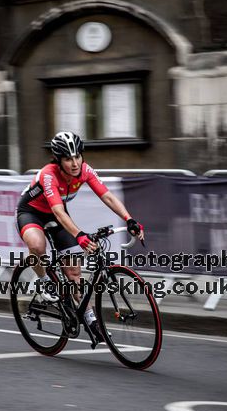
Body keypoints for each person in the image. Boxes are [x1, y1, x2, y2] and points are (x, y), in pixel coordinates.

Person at [15, 131, 144, 340]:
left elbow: (108, 196)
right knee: (38, 246)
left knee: (74, 272)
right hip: (31, 212)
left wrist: (129, 219)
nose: (75, 163)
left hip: (57, 214)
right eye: (68, 159)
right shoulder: (49, 174)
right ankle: (43, 279)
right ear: (58, 160)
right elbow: (57, 211)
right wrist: (80, 236)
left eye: (77, 157)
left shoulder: (84, 170)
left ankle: (91, 320)